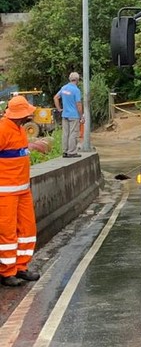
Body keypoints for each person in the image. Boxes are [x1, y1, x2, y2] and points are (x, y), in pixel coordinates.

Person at [0, 96, 49, 286]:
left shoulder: (19, 129)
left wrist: (32, 146)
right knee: (7, 233)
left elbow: (15, 151)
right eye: (27, 112)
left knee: (27, 229)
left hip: (22, 190)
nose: (30, 114)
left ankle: (21, 267)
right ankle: (7, 272)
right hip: (5, 193)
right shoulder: (3, 129)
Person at [54, 72, 83, 158]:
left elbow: (55, 97)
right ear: (77, 80)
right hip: (74, 115)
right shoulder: (76, 90)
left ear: (70, 79)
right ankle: (72, 152)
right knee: (73, 133)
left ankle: (65, 151)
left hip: (65, 114)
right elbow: (78, 104)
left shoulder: (64, 88)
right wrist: (81, 115)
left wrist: (59, 108)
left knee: (65, 133)